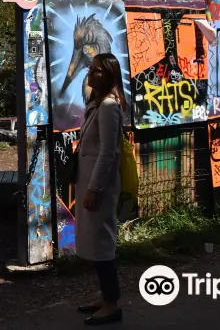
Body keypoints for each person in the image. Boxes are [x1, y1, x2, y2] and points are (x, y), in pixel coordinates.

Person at [75, 53, 127, 325]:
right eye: (91, 69)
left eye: (98, 71)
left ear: (109, 76)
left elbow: (109, 152)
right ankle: (104, 295)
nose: (92, 74)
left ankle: (111, 303)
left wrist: (94, 189)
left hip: (100, 186)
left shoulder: (108, 106)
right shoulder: (96, 103)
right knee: (95, 243)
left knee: (103, 244)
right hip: (90, 181)